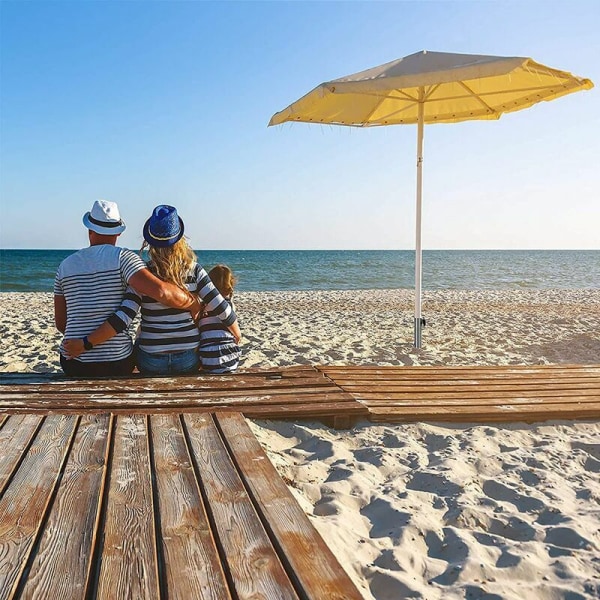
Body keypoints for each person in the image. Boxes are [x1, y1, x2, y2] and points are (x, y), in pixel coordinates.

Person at [67, 205, 241, 376]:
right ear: (180, 239)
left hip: (151, 361)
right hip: (188, 359)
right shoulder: (194, 270)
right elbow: (221, 307)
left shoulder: (144, 274)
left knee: (138, 339)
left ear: (148, 241)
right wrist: (236, 332)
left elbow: (124, 316)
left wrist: (86, 343)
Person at [198, 264, 242, 373]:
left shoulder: (202, 307)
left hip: (207, 358)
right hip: (229, 357)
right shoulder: (229, 306)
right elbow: (236, 334)